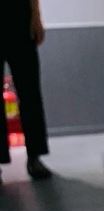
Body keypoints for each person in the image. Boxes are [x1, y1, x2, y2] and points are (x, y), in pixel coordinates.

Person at [0, 0, 51, 182]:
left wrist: (36, 17)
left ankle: (35, 156)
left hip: (19, 17)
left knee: (30, 92)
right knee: (30, 93)